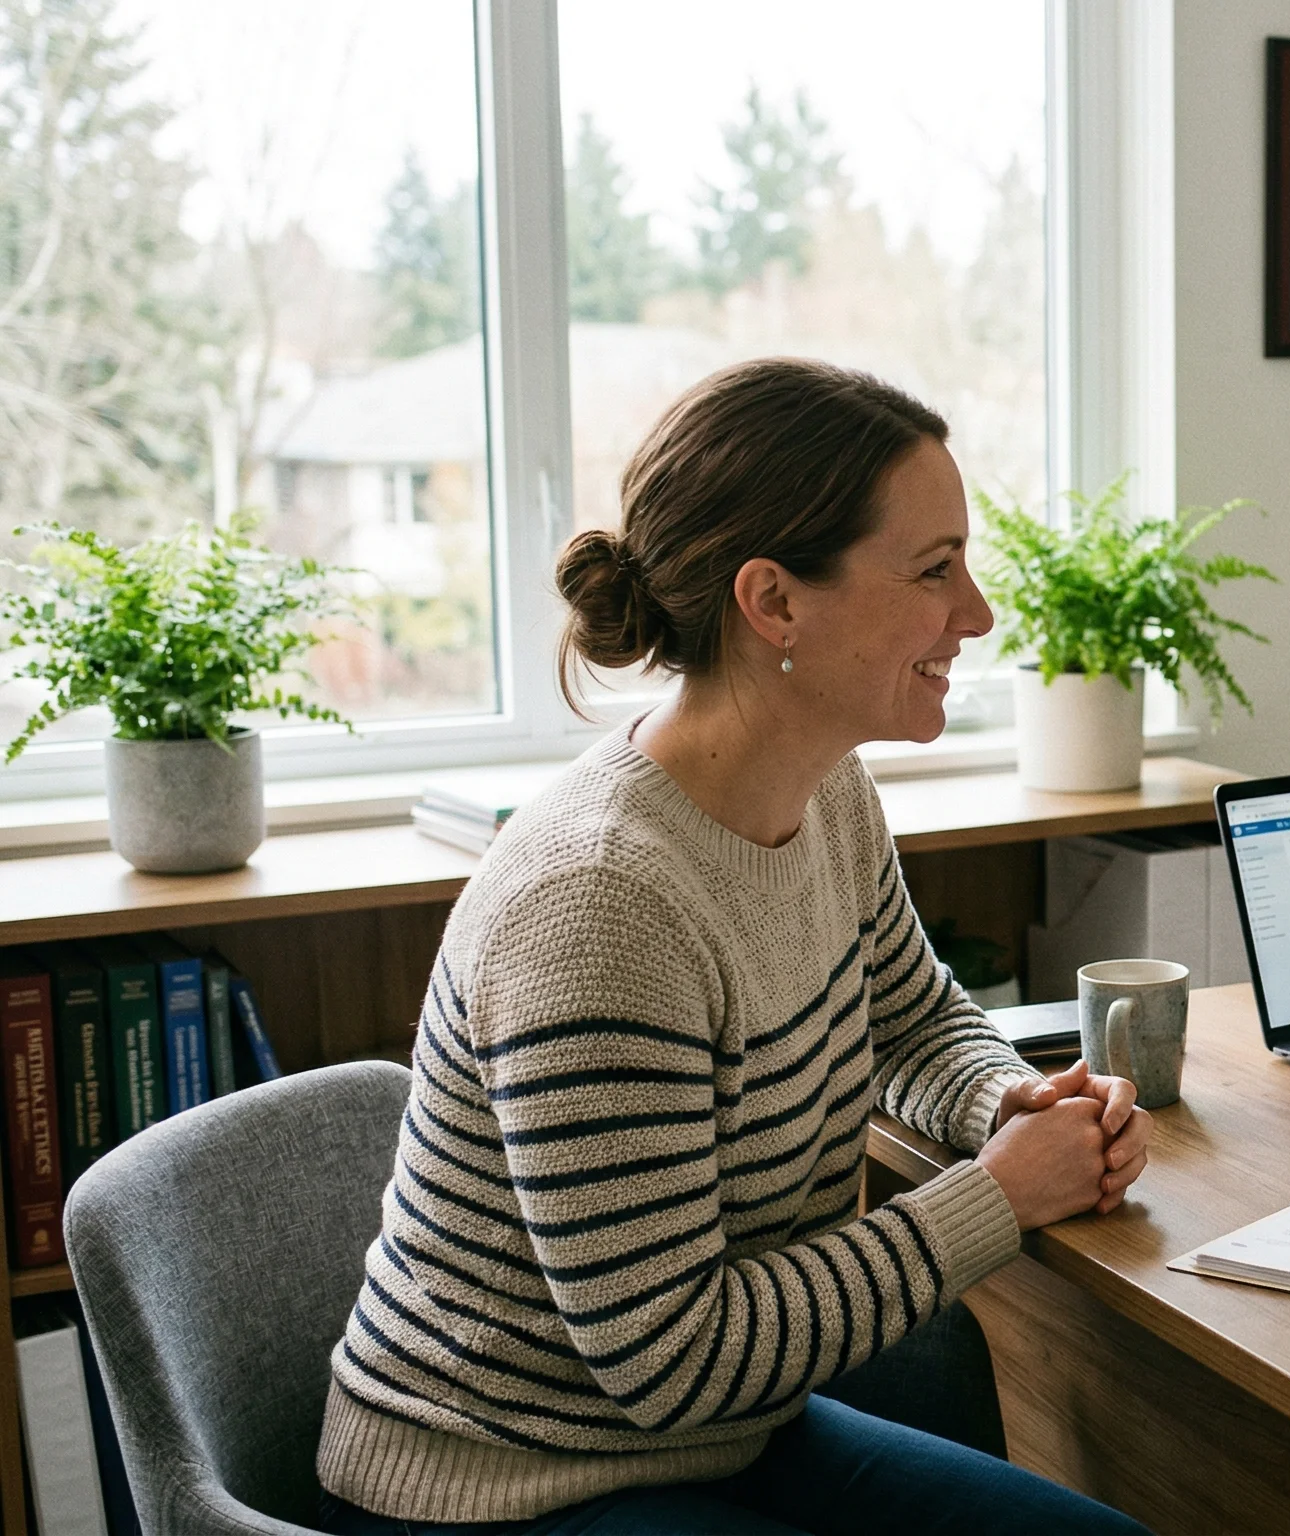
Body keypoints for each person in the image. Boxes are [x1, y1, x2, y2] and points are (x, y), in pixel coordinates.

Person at [316, 358, 1150, 1536]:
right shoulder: (603, 905)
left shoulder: (827, 792)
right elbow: (671, 1360)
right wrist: (997, 1199)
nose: (977, 613)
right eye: (933, 569)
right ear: (774, 604)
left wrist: (1005, 1100)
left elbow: (908, 1018)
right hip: (506, 1485)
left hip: (721, 1437)